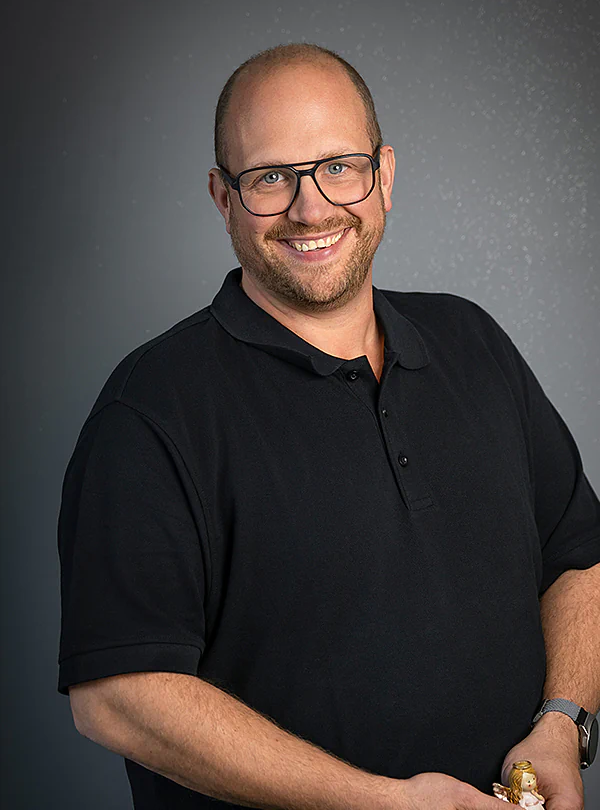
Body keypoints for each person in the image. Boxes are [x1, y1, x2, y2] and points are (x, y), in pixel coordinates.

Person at [57, 43, 600, 810]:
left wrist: (562, 722)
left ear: (384, 176)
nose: (311, 209)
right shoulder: (152, 408)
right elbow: (116, 696)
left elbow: (580, 556)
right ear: (222, 197)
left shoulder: (473, 342)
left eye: (338, 167)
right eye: (270, 178)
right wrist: (384, 802)